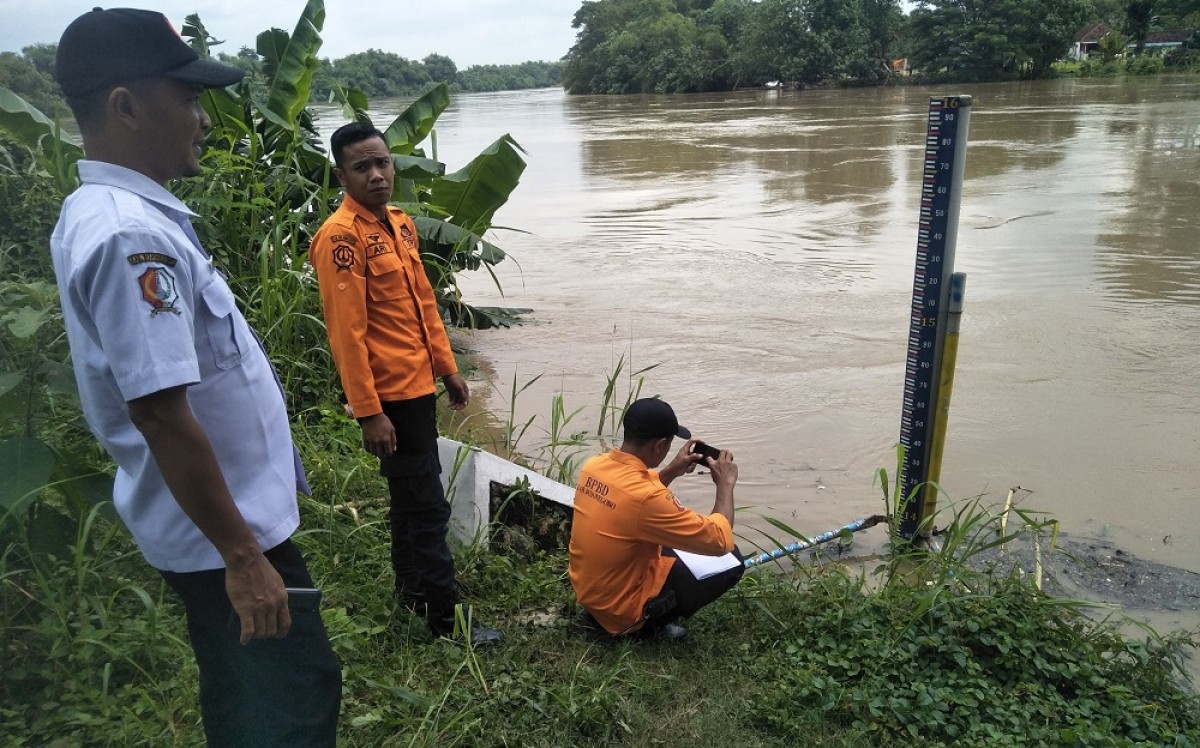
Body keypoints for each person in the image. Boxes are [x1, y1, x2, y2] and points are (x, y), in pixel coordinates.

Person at [49, 8, 340, 746]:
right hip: (226, 536)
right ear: (126, 106)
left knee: (250, 699)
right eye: (187, 98)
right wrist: (243, 558)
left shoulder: (108, 213)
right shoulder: (128, 234)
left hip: (222, 525)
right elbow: (160, 413)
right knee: (288, 708)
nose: (202, 118)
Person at [309, 122, 501, 646]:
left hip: (419, 388)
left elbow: (423, 308)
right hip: (390, 397)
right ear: (340, 174)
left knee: (409, 499)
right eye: (361, 167)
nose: (376, 175)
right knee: (427, 506)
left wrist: (449, 369)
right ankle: (446, 622)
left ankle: (413, 593)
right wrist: (369, 411)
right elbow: (347, 336)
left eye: (382, 163)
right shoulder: (340, 239)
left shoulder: (399, 224)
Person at [569, 398, 745, 639]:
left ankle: (604, 615)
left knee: (669, 540)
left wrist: (672, 469)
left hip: (591, 594)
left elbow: (631, 501)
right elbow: (719, 541)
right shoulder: (648, 498)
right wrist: (725, 485)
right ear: (660, 444)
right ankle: (643, 627)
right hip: (619, 613)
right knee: (731, 560)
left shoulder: (594, 465)